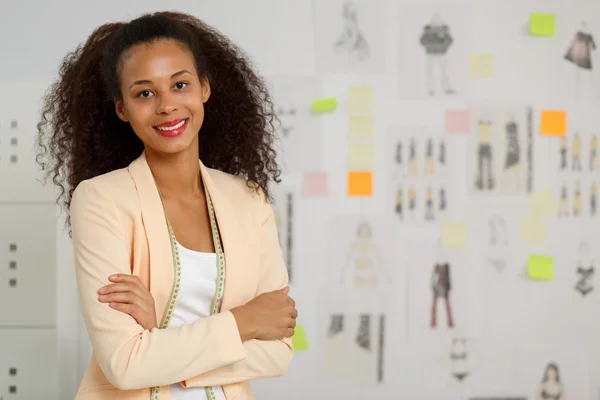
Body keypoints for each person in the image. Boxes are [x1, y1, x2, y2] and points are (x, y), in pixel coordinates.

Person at [35, 11, 297, 400]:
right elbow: (125, 364)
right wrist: (244, 322)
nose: (167, 105)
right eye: (144, 92)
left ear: (204, 88)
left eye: (180, 84)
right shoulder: (100, 200)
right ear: (122, 108)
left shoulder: (249, 200)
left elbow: (278, 353)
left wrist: (159, 333)